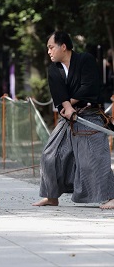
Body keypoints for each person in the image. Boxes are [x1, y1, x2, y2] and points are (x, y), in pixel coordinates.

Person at [33, 31, 114, 209]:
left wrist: (70, 104)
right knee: (50, 155)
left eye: (51, 47)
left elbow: (89, 85)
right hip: (68, 117)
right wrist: (67, 107)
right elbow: (58, 92)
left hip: (90, 114)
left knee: (93, 156)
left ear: (63, 46)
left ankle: (110, 196)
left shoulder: (85, 59)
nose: (49, 51)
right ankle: (51, 196)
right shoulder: (54, 69)